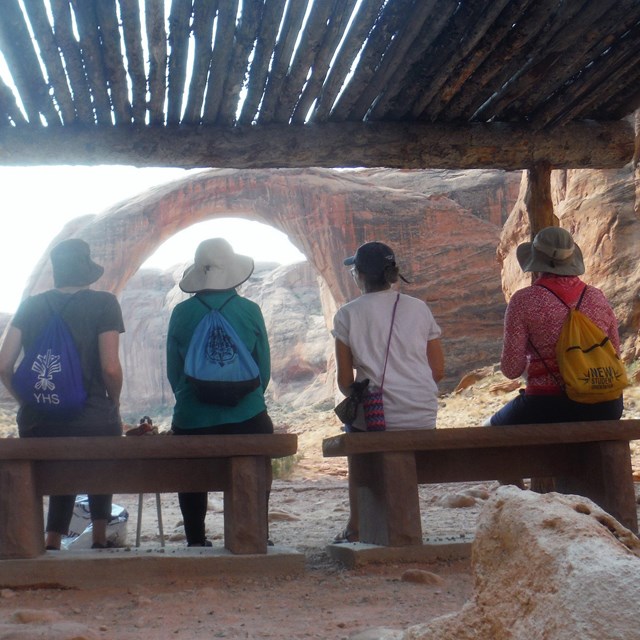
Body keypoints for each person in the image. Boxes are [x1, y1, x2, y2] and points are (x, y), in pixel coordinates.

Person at [0, 238, 124, 550]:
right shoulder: (104, 303)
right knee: (102, 441)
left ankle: (52, 539)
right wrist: (115, 402)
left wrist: (25, 401)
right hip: (93, 419)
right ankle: (98, 537)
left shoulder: (30, 304)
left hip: (39, 423)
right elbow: (110, 368)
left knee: (59, 450)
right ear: (87, 271)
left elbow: (3, 364)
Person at [332, 241, 444, 542]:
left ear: (358, 275)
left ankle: (356, 525)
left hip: (378, 420)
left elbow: (345, 382)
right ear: (393, 273)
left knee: (353, 428)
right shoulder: (419, 308)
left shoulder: (347, 314)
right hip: (422, 415)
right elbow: (438, 371)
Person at [166, 238, 274, 547]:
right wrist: (241, 398)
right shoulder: (250, 310)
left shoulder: (181, 313)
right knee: (260, 445)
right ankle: (254, 532)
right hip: (247, 417)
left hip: (192, 420)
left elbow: (175, 374)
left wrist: (195, 400)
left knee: (190, 469)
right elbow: (262, 370)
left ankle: (196, 539)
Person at [487, 226, 624, 426]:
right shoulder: (597, 297)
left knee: (490, 430)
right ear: (571, 259)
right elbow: (615, 354)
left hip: (550, 405)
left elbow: (511, 369)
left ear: (536, 262)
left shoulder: (524, 300)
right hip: (607, 405)